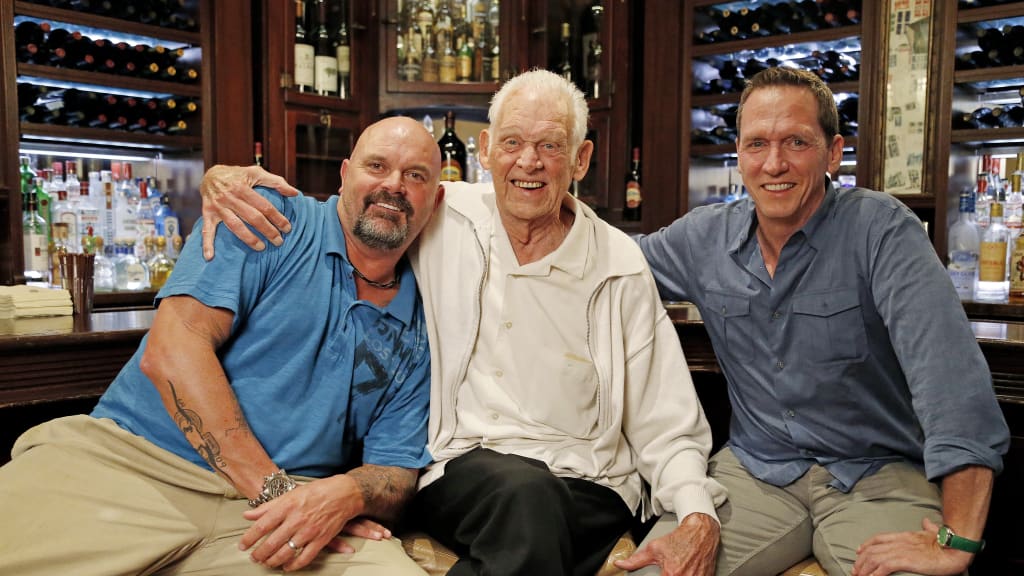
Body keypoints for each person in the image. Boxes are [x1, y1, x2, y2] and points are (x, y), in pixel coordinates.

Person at [197, 69, 727, 576]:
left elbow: (666, 416)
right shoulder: (439, 213)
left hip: (590, 481)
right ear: (486, 151)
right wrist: (229, 181)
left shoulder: (618, 263)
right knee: (525, 498)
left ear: (581, 159)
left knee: (533, 520)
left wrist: (695, 509)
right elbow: (361, 206)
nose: (529, 162)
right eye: (513, 142)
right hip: (463, 472)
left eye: (550, 146)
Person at [0, 116, 445, 576]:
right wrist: (275, 491)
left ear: (436, 198)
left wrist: (347, 495)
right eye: (377, 166)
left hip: (281, 510)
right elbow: (172, 353)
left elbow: (394, 472)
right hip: (139, 466)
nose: (393, 185)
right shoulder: (266, 216)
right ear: (345, 173)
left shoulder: (423, 321)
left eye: (416, 175)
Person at [628, 67, 1010, 576]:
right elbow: (605, 263)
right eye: (756, 143)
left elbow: (954, 386)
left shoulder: (882, 230)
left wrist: (956, 540)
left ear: (833, 153)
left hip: (878, 476)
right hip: (753, 473)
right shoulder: (704, 238)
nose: (774, 163)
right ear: (738, 155)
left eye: (796, 142)